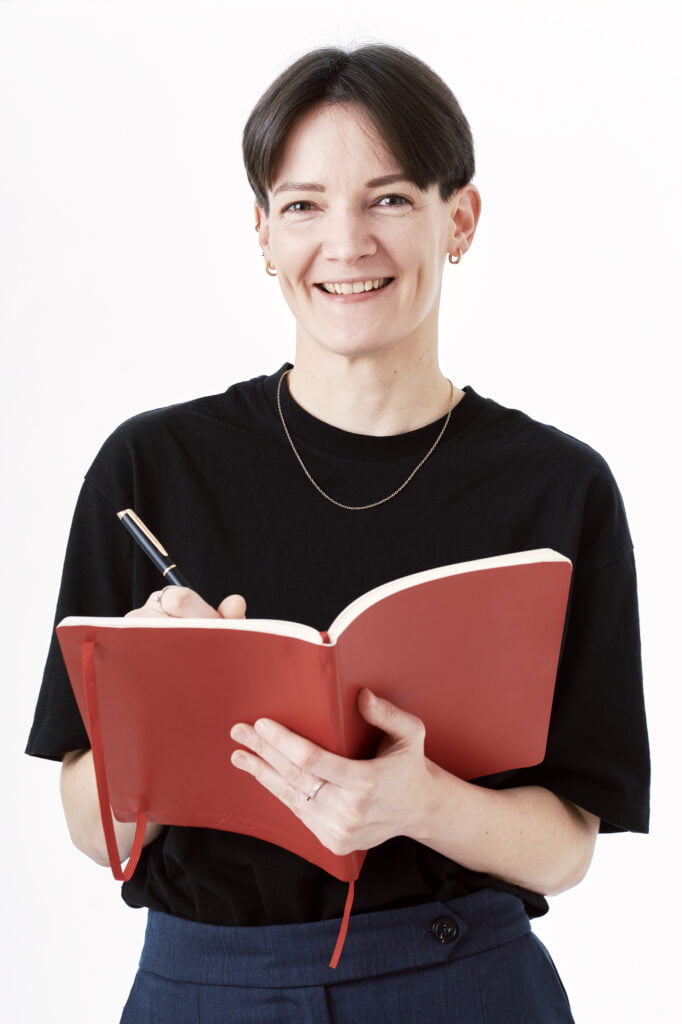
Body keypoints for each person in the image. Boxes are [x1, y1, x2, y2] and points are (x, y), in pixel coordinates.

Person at [26, 44, 649, 1023]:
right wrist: (166, 710)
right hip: (205, 984)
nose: (346, 242)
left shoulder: (557, 489)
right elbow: (81, 815)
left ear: (460, 219)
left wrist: (422, 805)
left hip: (461, 980)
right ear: (264, 233)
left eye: (391, 198)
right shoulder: (149, 471)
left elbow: (569, 840)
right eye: (305, 204)